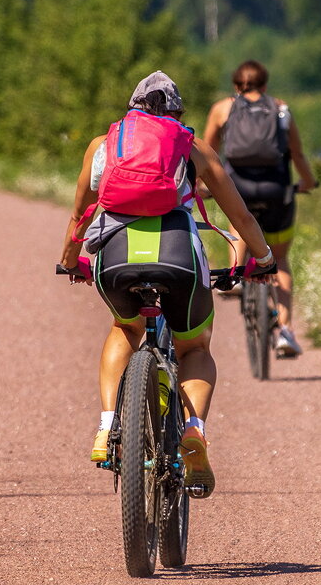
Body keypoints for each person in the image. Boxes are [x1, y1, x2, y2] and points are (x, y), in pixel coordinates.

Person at [59, 71, 275, 497]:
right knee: (194, 347)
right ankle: (193, 430)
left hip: (115, 255)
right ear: (176, 113)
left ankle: (107, 427)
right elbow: (241, 217)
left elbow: (79, 214)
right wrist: (263, 260)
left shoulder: (104, 145)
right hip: (178, 255)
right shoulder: (191, 146)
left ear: (132, 109)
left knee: (125, 327)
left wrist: (70, 262)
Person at [202, 60, 317, 357]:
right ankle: (286, 332)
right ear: (265, 85)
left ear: (236, 86)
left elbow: (205, 153)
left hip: (238, 185)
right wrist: (307, 181)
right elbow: (297, 153)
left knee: (239, 220)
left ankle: (236, 275)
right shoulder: (281, 109)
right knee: (279, 259)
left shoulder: (222, 109)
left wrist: (204, 186)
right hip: (277, 190)